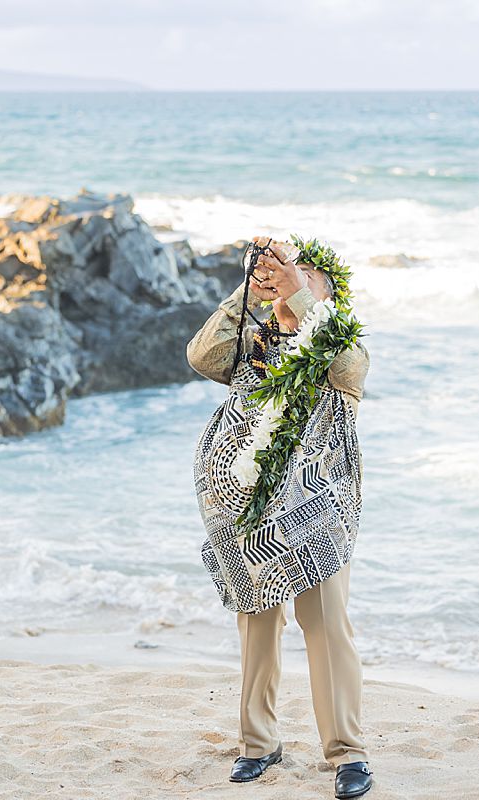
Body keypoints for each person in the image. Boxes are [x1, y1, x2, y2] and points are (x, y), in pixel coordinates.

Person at [186, 237, 374, 798]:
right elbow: (201, 355)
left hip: (318, 511)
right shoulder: (250, 343)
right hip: (250, 512)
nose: (291, 283)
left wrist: (301, 293)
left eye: (305, 278)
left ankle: (347, 752)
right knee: (258, 627)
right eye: (286, 277)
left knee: (326, 628)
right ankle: (258, 744)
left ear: (328, 296)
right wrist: (251, 288)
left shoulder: (339, 350)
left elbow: (348, 361)